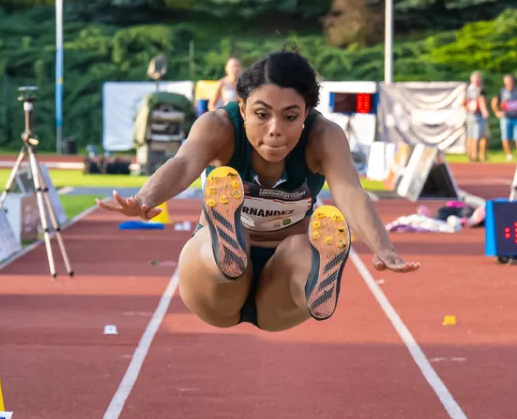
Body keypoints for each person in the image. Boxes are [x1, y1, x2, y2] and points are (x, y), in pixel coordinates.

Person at [98, 48, 420, 332]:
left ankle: (314, 281)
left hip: (278, 280)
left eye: (290, 116)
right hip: (215, 285)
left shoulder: (324, 136)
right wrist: (145, 198)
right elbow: (183, 164)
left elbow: (350, 191)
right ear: (242, 109)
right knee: (218, 258)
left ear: (306, 114)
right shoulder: (219, 127)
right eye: (262, 115)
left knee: (298, 251)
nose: (275, 130)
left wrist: (383, 246)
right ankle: (227, 245)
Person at [491, 74, 517, 161]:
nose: (509, 83)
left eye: (511, 81)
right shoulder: (502, 91)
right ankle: (509, 155)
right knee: (506, 137)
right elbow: (494, 102)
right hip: (506, 117)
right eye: (507, 81)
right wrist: (497, 112)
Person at [464, 71, 489, 162]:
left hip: (477, 115)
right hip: (474, 115)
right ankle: (473, 155)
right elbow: (478, 100)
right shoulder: (471, 90)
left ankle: (477, 155)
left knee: (478, 136)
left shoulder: (480, 89)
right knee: (474, 136)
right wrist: (483, 110)